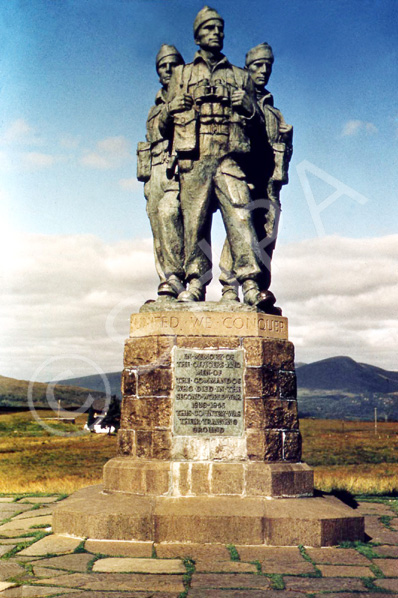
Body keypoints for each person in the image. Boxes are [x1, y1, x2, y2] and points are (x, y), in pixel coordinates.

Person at [159, 6, 266, 306]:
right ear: (197, 35)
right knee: (194, 223)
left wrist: (248, 105)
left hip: (229, 157)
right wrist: (171, 107)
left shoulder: (240, 77)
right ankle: (195, 282)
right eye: (208, 28)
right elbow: (161, 127)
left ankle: (249, 283)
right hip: (194, 157)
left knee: (241, 215)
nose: (216, 33)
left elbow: (259, 126)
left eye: (219, 28)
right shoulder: (181, 74)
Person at [219, 42, 293, 312]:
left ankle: (260, 289)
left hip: (270, 183)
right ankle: (230, 285)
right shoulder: (237, 100)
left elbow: (282, 155)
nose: (264, 71)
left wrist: (288, 140)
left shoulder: (275, 113)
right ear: (247, 68)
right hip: (244, 174)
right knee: (240, 227)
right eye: (257, 66)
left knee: (266, 234)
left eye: (268, 66)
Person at [136, 44, 186, 300]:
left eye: (172, 64)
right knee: (158, 226)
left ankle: (182, 278)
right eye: (162, 66)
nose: (167, 70)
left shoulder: (188, 97)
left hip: (179, 168)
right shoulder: (154, 106)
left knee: (174, 217)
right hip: (154, 169)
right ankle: (167, 282)